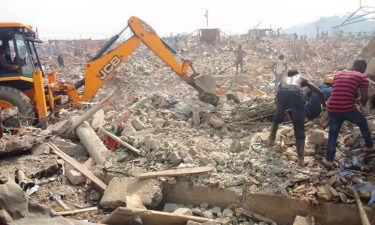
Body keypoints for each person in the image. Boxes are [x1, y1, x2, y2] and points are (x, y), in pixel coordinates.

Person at [268, 69, 326, 166]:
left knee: (277, 117)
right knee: (299, 126)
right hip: (295, 93)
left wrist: (280, 109)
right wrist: (324, 104)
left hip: (281, 92)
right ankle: (300, 159)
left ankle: (271, 140)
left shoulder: (283, 79)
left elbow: (277, 96)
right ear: (297, 74)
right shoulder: (301, 78)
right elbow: (318, 91)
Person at [324, 60, 373, 167]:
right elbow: (364, 97)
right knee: (363, 123)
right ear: (363, 69)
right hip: (347, 108)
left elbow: (339, 89)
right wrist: (362, 105)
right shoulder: (362, 77)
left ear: (353, 66)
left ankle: (329, 159)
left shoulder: (338, 74)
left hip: (332, 107)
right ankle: (369, 146)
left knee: (333, 133)